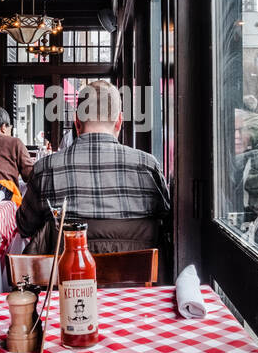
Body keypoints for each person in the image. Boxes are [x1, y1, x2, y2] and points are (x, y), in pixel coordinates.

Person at [16, 80, 171, 254]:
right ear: (119, 122)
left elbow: (25, 226)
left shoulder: (46, 169)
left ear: (77, 122)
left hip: (63, 278)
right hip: (141, 280)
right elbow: (167, 221)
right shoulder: (148, 166)